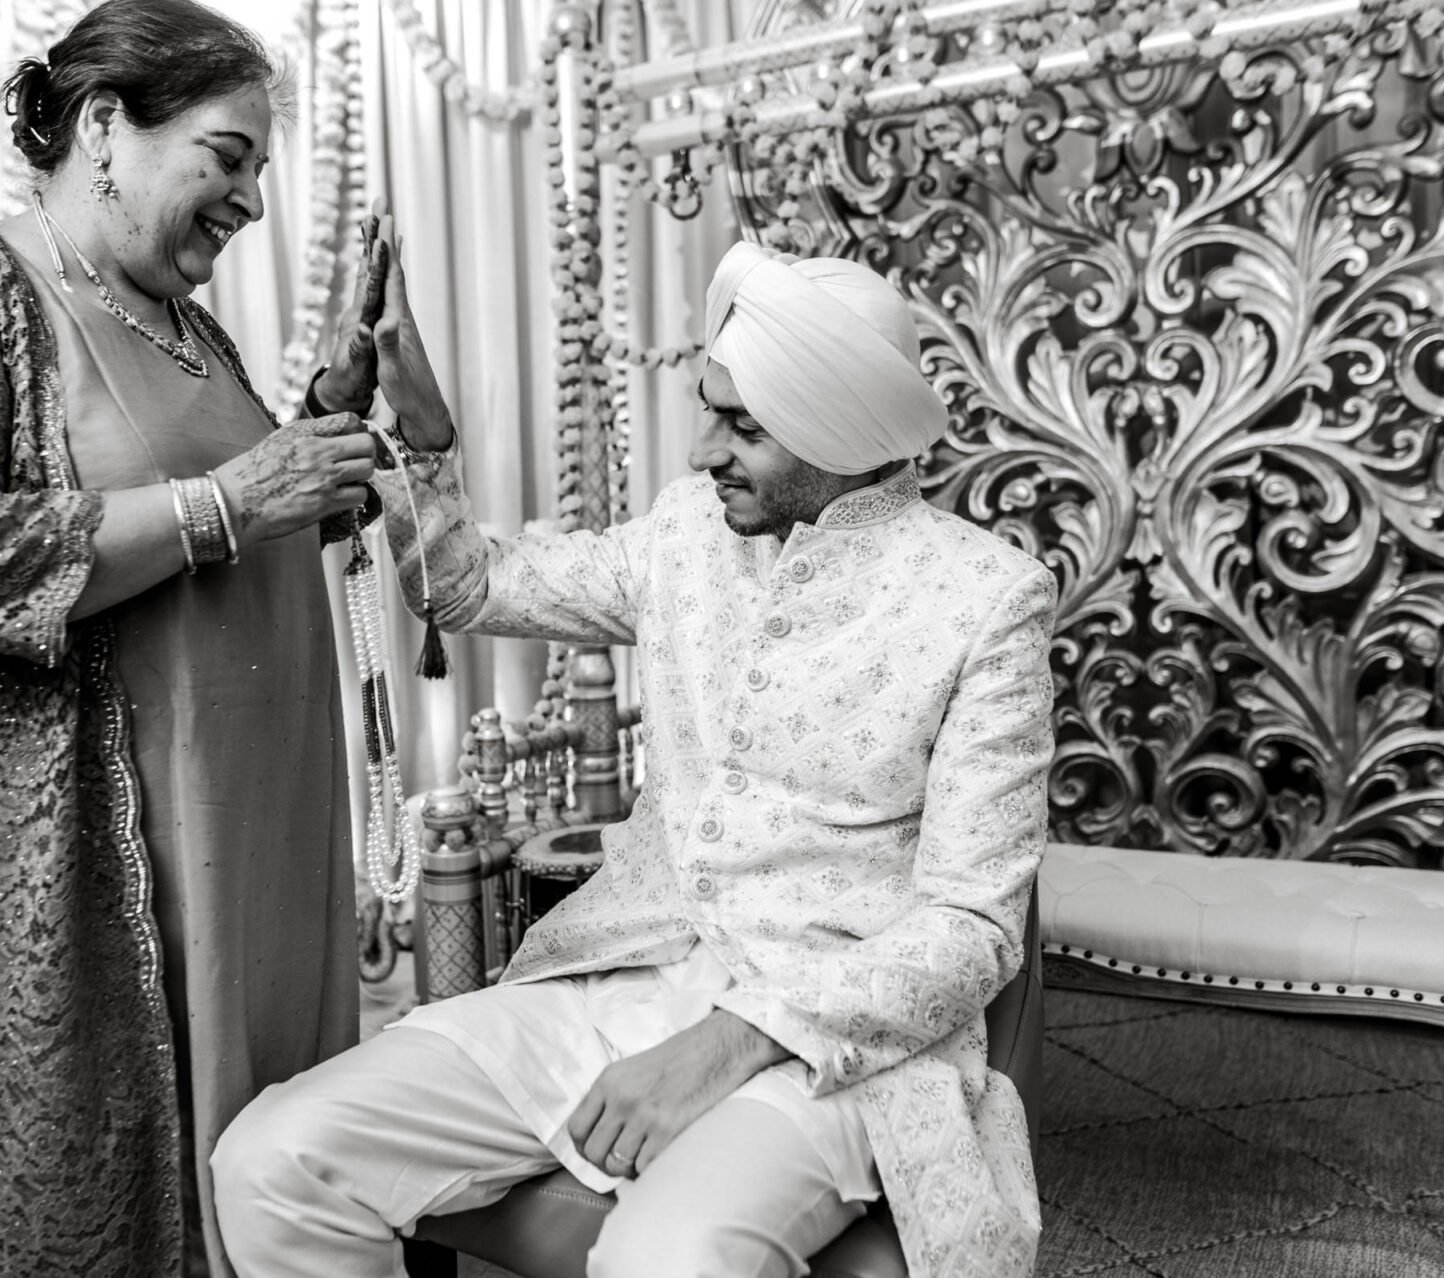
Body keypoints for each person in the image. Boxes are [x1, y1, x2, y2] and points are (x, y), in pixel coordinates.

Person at [211, 239, 1058, 1278]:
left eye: (743, 425)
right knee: (274, 1157)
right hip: (621, 979)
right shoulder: (686, 535)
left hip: (828, 1042)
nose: (703, 450)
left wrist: (734, 1038)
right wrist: (423, 441)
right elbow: (472, 586)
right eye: (711, 409)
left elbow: (975, 929)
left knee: (666, 1262)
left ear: (842, 427)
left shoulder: (984, 598)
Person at [0, 3, 387, 1274]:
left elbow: (205, 534)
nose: (249, 205)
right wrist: (233, 499)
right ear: (105, 126)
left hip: (250, 862)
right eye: (226, 160)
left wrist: (320, 444)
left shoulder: (189, 326)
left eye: (260, 176)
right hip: (73, 874)